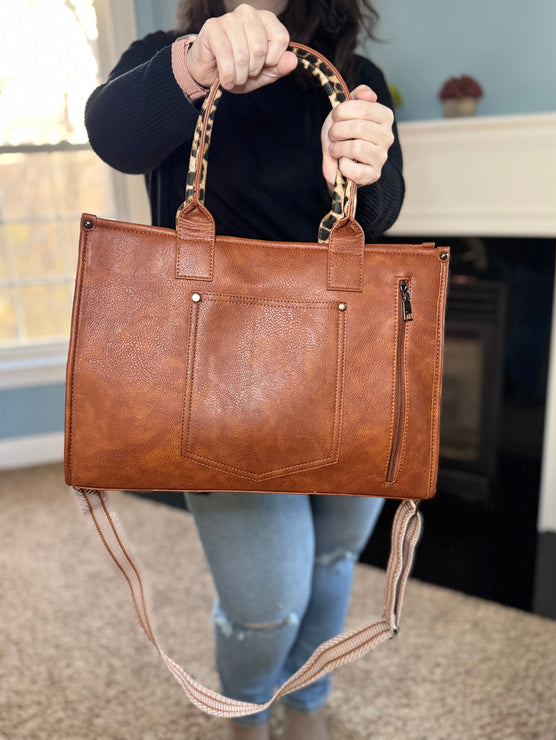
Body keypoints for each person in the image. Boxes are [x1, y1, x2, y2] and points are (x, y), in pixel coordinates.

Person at [85, 2, 404, 738]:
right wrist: (196, 63)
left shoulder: (357, 77)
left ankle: (309, 699)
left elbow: (379, 217)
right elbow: (114, 135)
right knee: (267, 602)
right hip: (210, 380)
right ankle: (248, 711)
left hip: (343, 365)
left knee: (332, 561)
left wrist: (363, 165)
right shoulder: (163, 53)